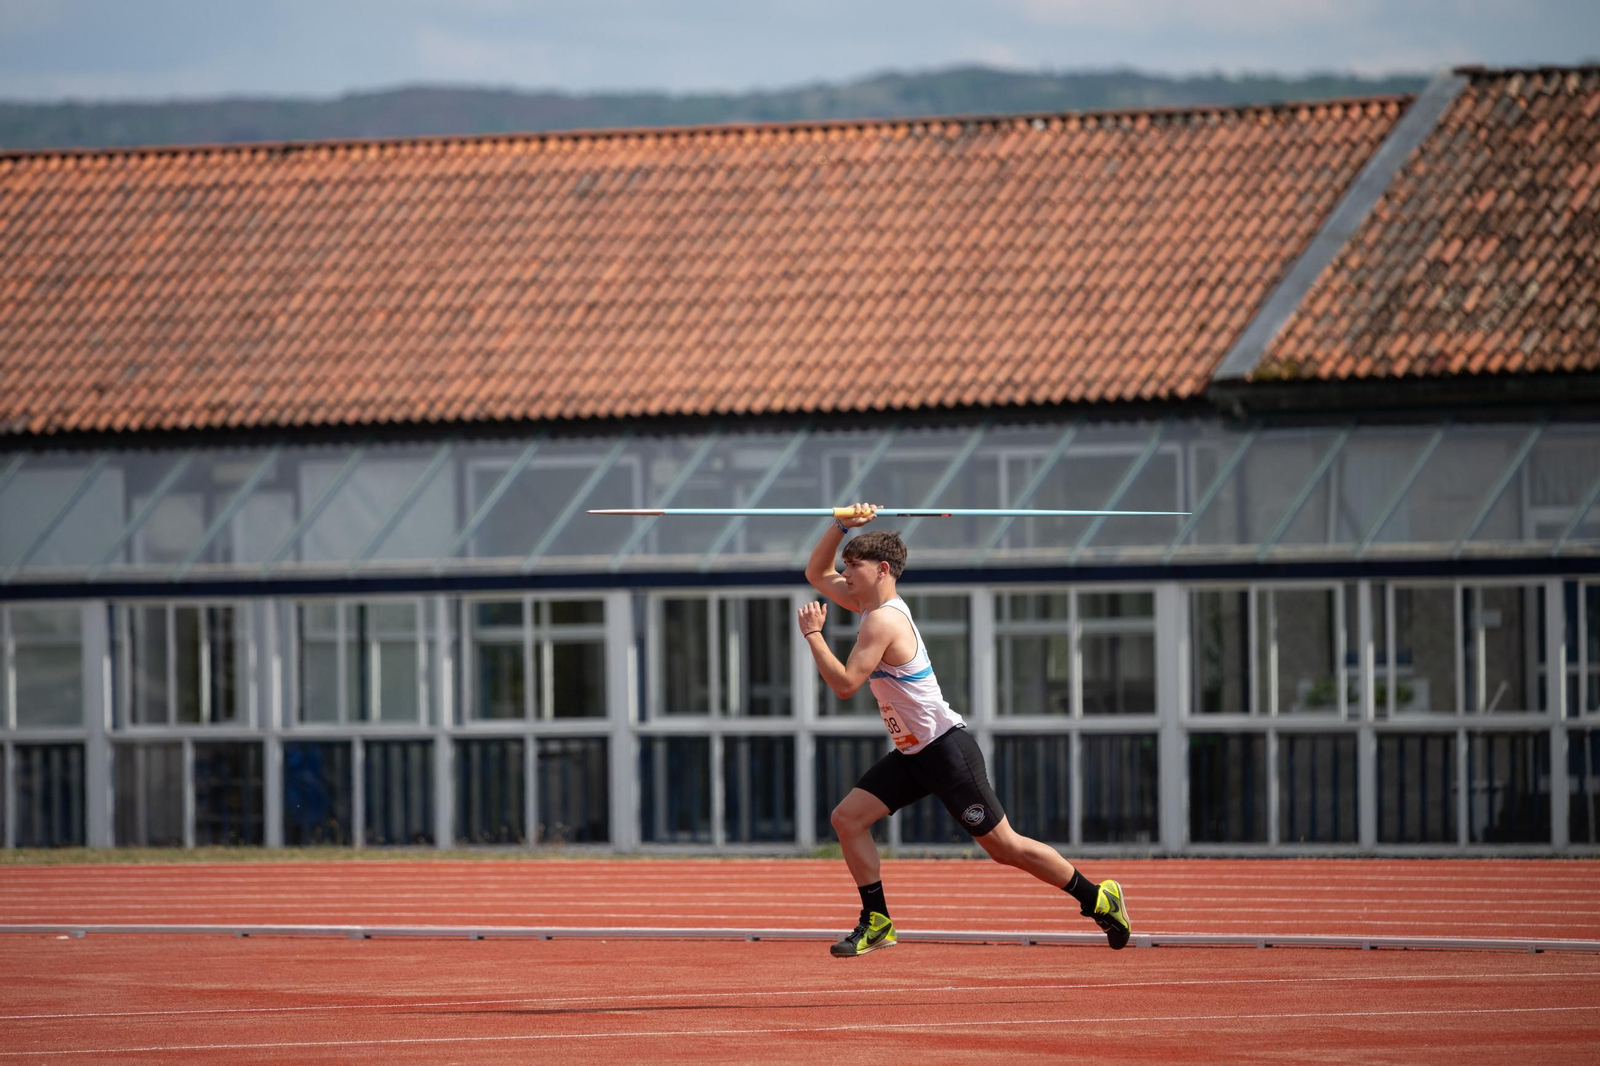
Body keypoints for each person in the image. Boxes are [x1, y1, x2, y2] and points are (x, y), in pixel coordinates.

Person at [799, 502, 1131, 957]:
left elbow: (844, 685)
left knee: (1005, 847)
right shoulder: (865, 605)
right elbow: (815, 573)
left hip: (945, 752)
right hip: (914, 754)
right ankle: (876, 920)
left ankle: (1098, 896)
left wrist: (815, 636)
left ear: (881, 570)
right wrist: (839, 526)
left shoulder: (882, 620)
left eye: (852, 567)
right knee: (847, 818)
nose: (844, 573)